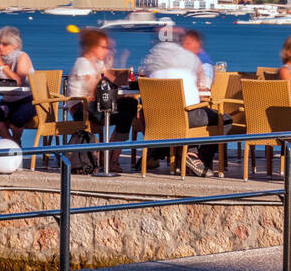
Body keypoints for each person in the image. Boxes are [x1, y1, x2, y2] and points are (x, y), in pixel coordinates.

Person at [139, 33, 225, 176]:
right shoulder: (192, 60)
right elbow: (201, 86)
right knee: (224, 120)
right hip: (185, 114)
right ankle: (194, 156)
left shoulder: (151, 61)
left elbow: (143, 75)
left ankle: (158, 152)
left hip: (153, 118)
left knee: (182, 121)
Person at [67, 28, 138, 173]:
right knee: (124, 114)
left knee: (130, 105)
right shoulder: (82, 64)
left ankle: (111, 156)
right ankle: (110, 158)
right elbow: (95, 89)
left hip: (97, 104)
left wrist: (117, 63)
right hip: (82, 108)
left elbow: (112, 82)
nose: (106, 50)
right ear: (93, 47)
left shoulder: (97, 63)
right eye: (103, 47)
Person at [0, 26, 36, 143]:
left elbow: (19, 81)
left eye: (4, 44)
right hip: (8, 101)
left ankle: (15, 142)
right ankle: (13, 143)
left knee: (16, 119)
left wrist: (1, 64)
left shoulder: (22, 57)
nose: (0, 47)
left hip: (28, 99)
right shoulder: (1, 59)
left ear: (15, 45)